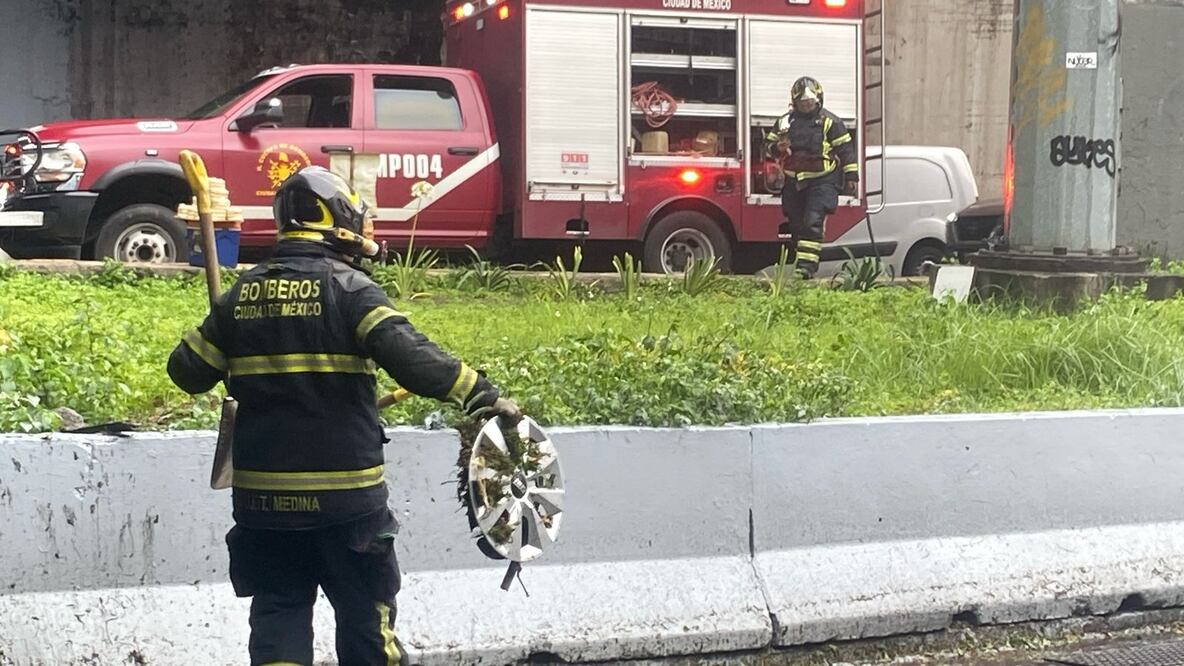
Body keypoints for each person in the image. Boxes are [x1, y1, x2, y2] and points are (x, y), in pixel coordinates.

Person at [167, 166, 520, 666]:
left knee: (279, 619)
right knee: (365, 623)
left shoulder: (239, 297)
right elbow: (414, 360)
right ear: (336, 220)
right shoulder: (350, 290)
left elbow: (186, 373)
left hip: (264, 506)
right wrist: (478, 392)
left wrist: (231, 338)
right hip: (346, 506)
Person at [766, 76, 860, 278]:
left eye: (810, 101)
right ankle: (801, 263)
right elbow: (767, 148)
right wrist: (776, 148)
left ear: (818, 100)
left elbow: (846, 151)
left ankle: (806, 269)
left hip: (823, 180)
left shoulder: (830, 122)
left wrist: (851, 175)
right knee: (796, 224)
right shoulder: (785, 122)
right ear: (795, 102)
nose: (806, 105)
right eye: (802, 102)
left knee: (812, 221)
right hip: (794, 181)